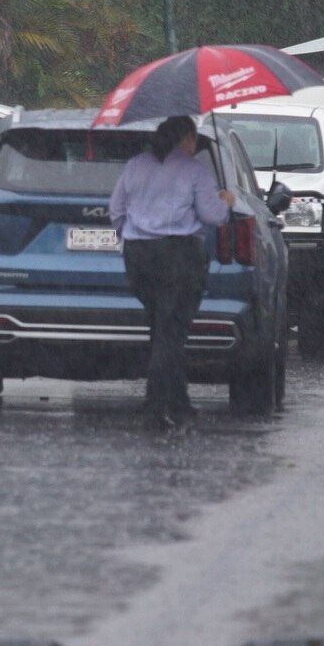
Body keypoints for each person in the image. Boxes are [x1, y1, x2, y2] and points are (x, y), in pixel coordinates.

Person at [109, 115, 234, 431]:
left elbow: (116, 211)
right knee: (171, 332)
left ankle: (179, 401)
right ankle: (155, 405)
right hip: (178, 256)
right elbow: (213, 216)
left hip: (138, 256)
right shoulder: (194, 170)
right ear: (188, 139)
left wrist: (131, 235)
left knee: (161, 327)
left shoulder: (136, 165)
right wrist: (226, 202)